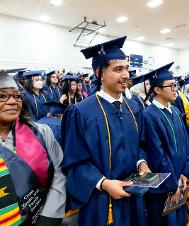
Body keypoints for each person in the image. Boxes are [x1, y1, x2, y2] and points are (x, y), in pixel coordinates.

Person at [61, 36, 150, 226]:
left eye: (126, 68)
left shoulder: (133, 108)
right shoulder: (81, 112)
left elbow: (140, 145)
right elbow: (74, 162)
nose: (126, 75)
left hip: (133, 195)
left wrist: (142, 163)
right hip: (101, 201)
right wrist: (104, 183)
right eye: (118, 69)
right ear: (99, 72)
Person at [0, 69, 66, 226]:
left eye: (17, 96)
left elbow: (59, 174)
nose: (12, 102)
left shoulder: (42, 132)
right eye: (2, 96)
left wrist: (48, 218)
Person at [142, 62, 189, 226]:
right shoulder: (149, 115)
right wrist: (173, 184)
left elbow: (187, 144)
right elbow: (157, 155)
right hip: (165, 185)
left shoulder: (177, 111)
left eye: (176, 85)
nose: (175, 89)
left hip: (180, 180)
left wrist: (186, 172)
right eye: (171, 86)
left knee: (180, 220)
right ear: (157, 90)